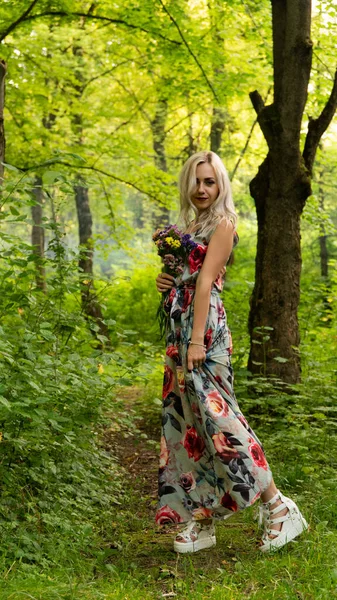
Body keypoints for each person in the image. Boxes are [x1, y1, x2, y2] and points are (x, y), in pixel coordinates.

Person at [154, 150, 308, 554]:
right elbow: (187, 282)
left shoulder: (223, 223)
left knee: (222, 423)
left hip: (204, 334)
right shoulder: (189, 225)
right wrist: (167, 282)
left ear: (221, 185)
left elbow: (205, 284)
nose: (202, 188)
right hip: (181, 329)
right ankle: (202, 520)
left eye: (210, 181)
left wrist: (197, 340)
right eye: (196, 181)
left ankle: (279, 508)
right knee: (189, 426)